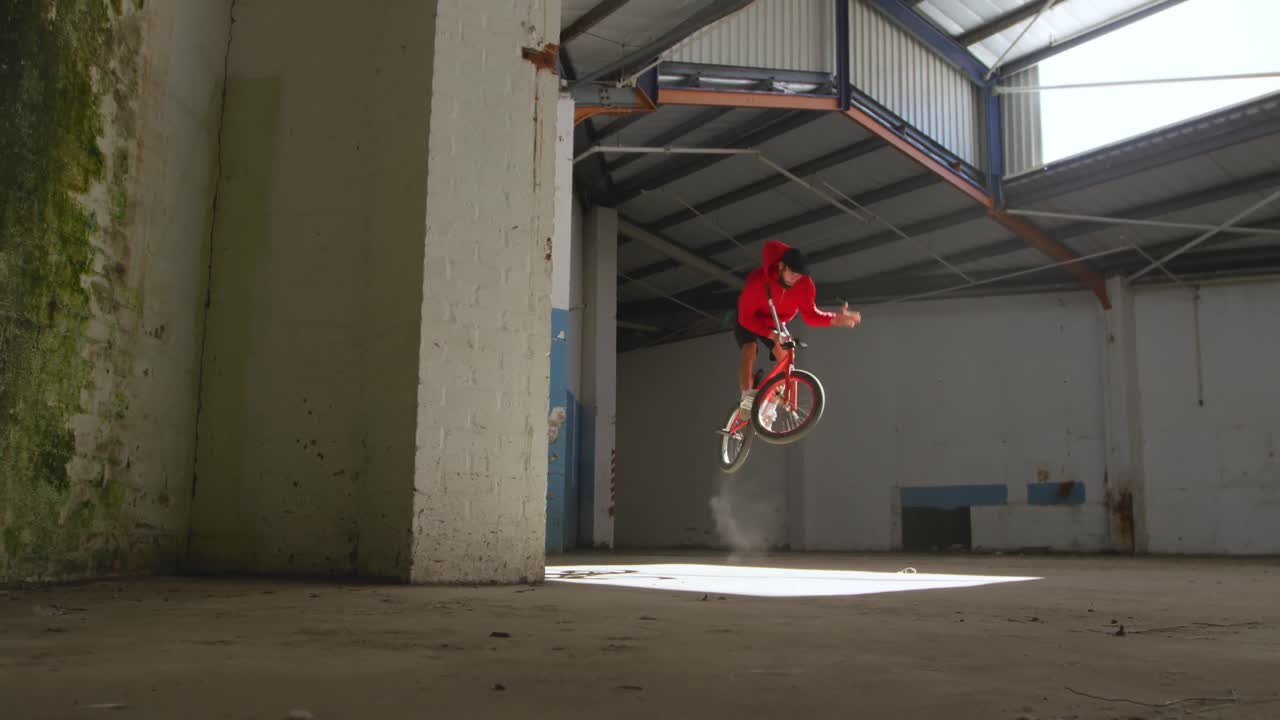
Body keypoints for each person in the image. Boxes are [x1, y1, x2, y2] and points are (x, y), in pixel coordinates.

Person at [733, 239, 861, 428]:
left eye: (799, 276)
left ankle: (769, 407)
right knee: (750, 348)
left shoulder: (805, 285)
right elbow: (745, 319)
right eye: (792, 273)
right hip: (749, 318)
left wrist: (834, 319)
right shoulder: (758, 282)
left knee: (786, 360)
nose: (795, 279)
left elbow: (810, 315)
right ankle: (746, 397)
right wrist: (771, 334)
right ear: (781, 266)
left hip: (775, 321)